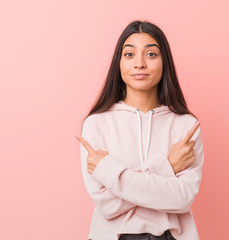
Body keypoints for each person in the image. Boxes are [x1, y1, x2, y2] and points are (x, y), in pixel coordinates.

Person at [75, 20, 205, 240]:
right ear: (119, 62)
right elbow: (107, 205)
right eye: (129, 55)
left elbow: (182, 199)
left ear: (165, 62)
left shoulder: (185, 125)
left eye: (151, 54)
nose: (140, 64)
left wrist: (110, 173)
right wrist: (168, 167)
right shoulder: (96, 124)